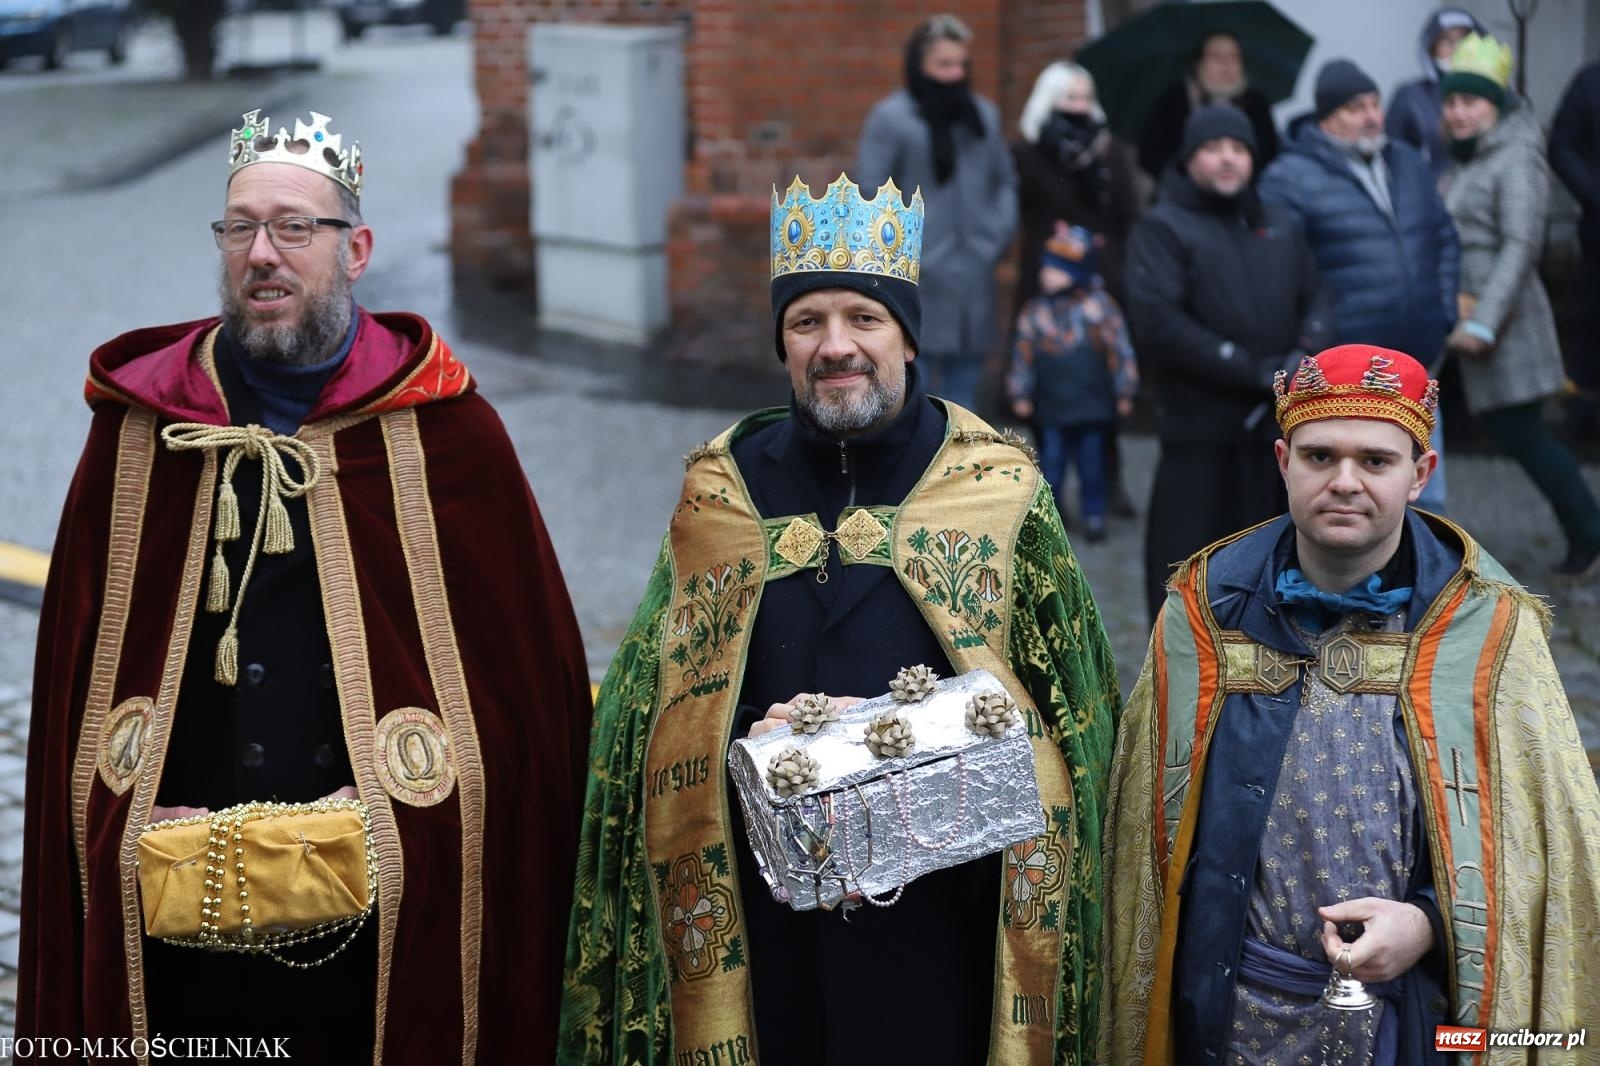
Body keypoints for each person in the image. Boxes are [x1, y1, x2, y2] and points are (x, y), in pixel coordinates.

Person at [15, 109, 593, 1062]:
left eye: (294, 227)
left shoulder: (446, 433)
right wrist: (128, 812)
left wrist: (390, 818)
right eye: (240, 227)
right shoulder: (142, 430)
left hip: (371, 924)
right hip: (175, 898)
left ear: (356, 249)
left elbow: (527, 705)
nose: (262, 254)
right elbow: (77, 689)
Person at [558, 173, 1121, 1064]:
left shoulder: (997, 490)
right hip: (766, 923)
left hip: (949, 923)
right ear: (782, 343)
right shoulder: (724, 493)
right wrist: (757, 736)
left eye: (864, 318)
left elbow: (1075, 724)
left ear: (905, 334)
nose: (836, 347)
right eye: (805, 322)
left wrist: (935, 737)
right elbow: (653, 721)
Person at [1100, 343, 1600, 1064]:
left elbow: (1539, 852)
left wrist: (1428, 924)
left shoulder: (1488, 629)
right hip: (1230, 1013)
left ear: (1421, 474)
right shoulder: (1204, 613)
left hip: (1411, 1021)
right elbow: (1146, 844)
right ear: (1282, 461)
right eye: (1319, 456)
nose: (1344, 482)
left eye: (1375, 460)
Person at [1125, 104, 1333, 623]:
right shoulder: (1163, 226)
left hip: (1277, 436)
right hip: (1200, 433)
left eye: (1238, 149)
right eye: (1214, 148)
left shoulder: (1280, 223)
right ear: (1190, 157)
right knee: (1190, 577)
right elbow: (1159, 322)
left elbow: (1320, 297)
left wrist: (1301, 355)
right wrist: (1249, 369)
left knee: (1280, 575)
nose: (1227, 159)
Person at [1260, 58, 1459, 514]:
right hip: (1347, 377)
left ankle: (1429, 584)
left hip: (1416, 363)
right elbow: (1287, 273)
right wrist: (1314, 341)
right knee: (1361, 501)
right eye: (1355, 108)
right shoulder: (1290, 176)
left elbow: (1444, 237)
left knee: (1428, 494)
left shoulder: (1406, 162)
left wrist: (1443, 308)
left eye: (1375, 103)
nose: (1372, 116)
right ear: (1327, 117)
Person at [1441, 34, 1600, 580]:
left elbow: (1521, 244)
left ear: (1497, 104)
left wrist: (1485, 319)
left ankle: (1589, 531)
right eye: (1453, 102)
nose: (1459, 112)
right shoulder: (1474, 156)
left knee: (1521, 430)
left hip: (1505, 321)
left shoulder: (1517, 158)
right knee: (1512, 429)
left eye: (1472, 101)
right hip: (1467, 313)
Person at [855, 13, 1018, 413]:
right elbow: (871, 193)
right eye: (944, 64)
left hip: (973, 275)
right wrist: (910, 252)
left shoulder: (983, 117)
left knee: (966, 394)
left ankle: (958, 472)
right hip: (917, 277)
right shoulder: (892, 118)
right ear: (921, 64)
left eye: (961, 64)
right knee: (912, 388)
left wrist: (990, 241)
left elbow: (1006, 184)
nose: (954, 74)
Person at [1006, 225, 1137, 542]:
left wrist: (1125, 389)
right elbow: (1022, 353)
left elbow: (1120, 350)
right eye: (1046, 268)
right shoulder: (1036, 311)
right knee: (1051, 461)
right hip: (1052, 404)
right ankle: (1052, 512)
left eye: (1057, 270)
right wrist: (1019, 391)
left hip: (1093, 404)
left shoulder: (1100, 308)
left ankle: (1094, 513)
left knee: (1093, 463)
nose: (1047, 276)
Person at [1138, 29, 1281, 183]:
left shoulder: (1255, 103)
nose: (1227, 64)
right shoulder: (1174, 101)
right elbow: (1150, 157)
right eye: (1217, 56)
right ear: (1198, 63)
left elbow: (1270, 155)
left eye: (1234, 56)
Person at [1550, 59, 1600, 437]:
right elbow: (1562, 145)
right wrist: (1593, 193)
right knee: (1591, 319)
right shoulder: (1589, 80)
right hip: (1598, 227)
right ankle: (1583, 408)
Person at [1386, 7, 1485, 187]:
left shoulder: (1495, 94)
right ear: (1431, 48)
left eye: (1464, 40)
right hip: (1432, 199)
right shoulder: (1410, 96)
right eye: (1447, 41)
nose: (1456, 49)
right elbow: (1393, 159)